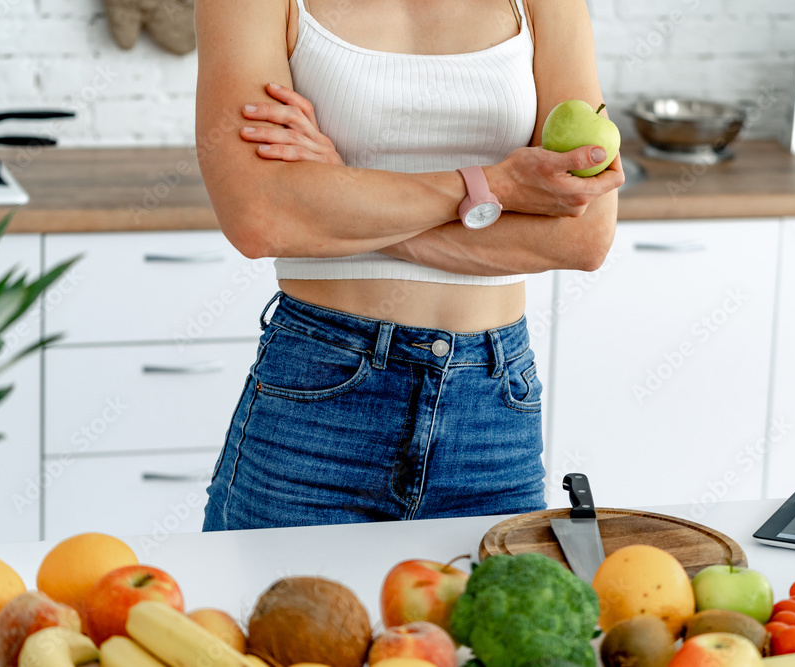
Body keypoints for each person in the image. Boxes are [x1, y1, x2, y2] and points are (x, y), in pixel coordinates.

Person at [198, 0, 624, 531]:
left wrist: (343, 189)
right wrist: (498, 188)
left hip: (492, 405)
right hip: (321, 391)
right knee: (275, 614)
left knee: (491, 613)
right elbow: (260, 216)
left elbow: (581, 236)